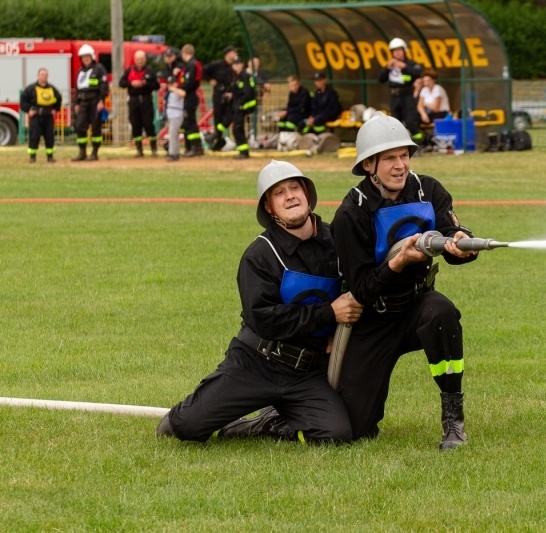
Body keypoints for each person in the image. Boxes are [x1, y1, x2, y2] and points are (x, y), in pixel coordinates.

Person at [157, 160, 363, 444]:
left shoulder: (338, 240)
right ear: (269, 207)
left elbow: (360, 289)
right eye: (279, 193)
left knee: (336, 434)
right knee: (184, 428)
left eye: (294, 188)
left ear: (307, 194)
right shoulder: (259, 255)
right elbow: (265, 319)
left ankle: (269, 423)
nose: (290, 195)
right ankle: (191, 411)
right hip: (256, 363)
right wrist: (328, 314)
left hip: (306, 372)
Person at [330, 112, 478, 450]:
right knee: (354, 428)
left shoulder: (430, 190)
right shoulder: (351, 214)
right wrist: (397, 262)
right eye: (390, 158)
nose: (400, 165)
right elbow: (363, 289)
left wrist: (462, 241)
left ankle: (453, 420)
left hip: (416, 307)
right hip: (372, 320)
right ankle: (273, 419)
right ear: (369, 165)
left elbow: (453, 242)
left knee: (441, 313)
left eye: (405, 155)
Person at [378, 38, 423, 147]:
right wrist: (387, 68)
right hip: (395, 97)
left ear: (404, 51)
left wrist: (404, 67)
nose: (397, 53)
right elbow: (380, 79)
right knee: (395, 122)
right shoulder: (390, 65)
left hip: (408, 96)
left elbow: (418, 73)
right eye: (395, 51)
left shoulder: (411, 64)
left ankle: (420, 142)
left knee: (410, 121)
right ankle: (398, 146)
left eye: (399, 50)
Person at [119, 50, 160, 158]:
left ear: (145, 60)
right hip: (133, 100)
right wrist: (131, 83)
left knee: (149, 125)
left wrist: (145, 84)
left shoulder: (150, 70)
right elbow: (121, 83)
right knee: (135, 125)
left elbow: (156, 85)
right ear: (135, 60)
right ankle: (139, 150)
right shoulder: (129, 70)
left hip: (146, 99)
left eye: (142, 59)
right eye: (138, 59)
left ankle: (154, 149)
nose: (140, 61)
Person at [71, 43, 108, 162]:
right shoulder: (80, 71)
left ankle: (94, 153)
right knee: (80, 126)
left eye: (87, 57)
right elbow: (77, 88)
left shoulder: (99, 69)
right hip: (83, 102)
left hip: (95, 101)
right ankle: (82, 152)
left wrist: (101, 101)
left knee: (96, 127)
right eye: (83, 57)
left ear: (92, 57)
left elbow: (104, 86)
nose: (85, 59)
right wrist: (76, 103)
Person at [20, 67, 62, 164]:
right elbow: (23, 101)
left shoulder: (52, 89)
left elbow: (58, 99)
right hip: (36, 117)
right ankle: (32, 157)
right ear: (38, 75)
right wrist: (28, 110)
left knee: (49, 137)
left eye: (46, 75)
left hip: (48, 117)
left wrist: (56, 109)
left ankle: (50, 157)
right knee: (34, 136)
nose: (44, 77)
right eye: (42, 75)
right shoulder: (30, 89)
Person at [205, 45, 237, 151]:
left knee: (229, 116)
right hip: (219, 94)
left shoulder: (234, 65)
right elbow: (204, 70)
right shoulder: (217, 64)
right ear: (228, 54)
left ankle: (214, 135)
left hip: (230, 94)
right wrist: (210, 80)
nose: (236, 54)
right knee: (218, 118)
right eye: (234, 52)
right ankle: (218, 141)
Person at [177, 44, 204, 157]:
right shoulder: (190, 65)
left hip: (190, 96)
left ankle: (195, 147)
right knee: (187, 123)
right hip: (189, 96)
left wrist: (180, 88)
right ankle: (190, 147)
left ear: (184, 53)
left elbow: (189, 82)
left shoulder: (192, 65)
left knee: (190, 122)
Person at [230, 56, 257, 159]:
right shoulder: (238, 76)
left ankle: (244, 152)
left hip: (242, 106)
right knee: (237, 128)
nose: (236, 66)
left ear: (242, 64)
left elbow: (247, 92)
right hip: (238, 105)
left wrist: (241, 104)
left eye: (238, 64)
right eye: (234, 64)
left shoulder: (244, 76)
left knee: (238, 128)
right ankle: (242, 151)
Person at [163, 75, 185, 162]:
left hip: (176, 115)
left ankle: (173, 153)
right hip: (170, 116)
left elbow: (183, 93)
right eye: (169, 84)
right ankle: (175, 152)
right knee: (173, 135)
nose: (170, 85)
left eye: (172, 83)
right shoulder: (168, 94)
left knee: (173, 134)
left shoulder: (177, 91)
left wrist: (174, 89)